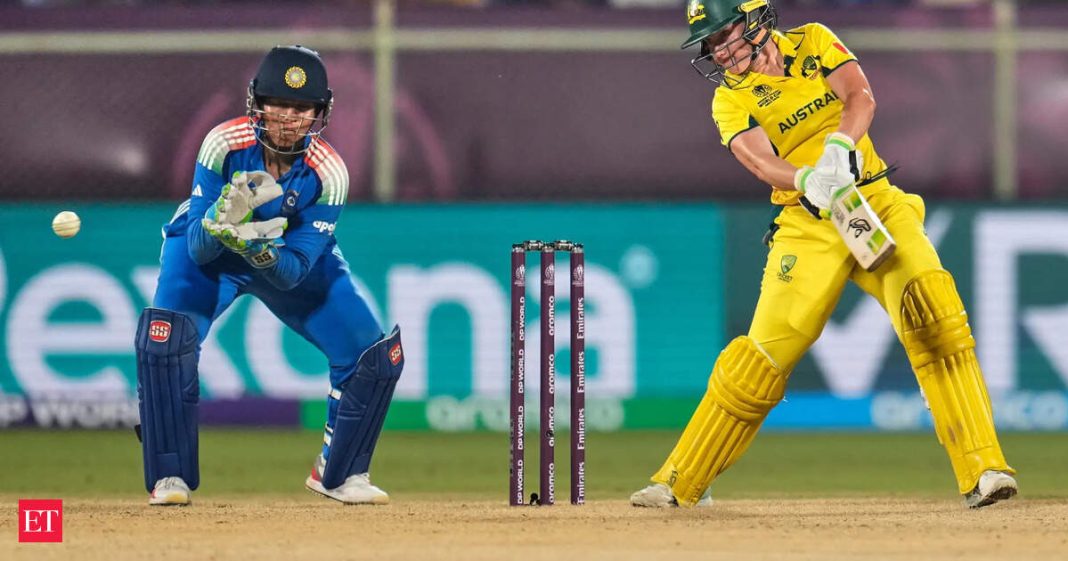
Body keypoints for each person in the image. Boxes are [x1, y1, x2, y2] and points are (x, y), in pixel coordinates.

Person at [630, 0, 1016, 509]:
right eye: (711, 45)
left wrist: (837, 149)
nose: (720, 52)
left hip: (873, 199)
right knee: (759, 361)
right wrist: (808, 178)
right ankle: (678, 482)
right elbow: (761, 162)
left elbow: (860, 97)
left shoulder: (813, 40)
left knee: (933, 314)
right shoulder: (729, 100)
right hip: (806, 222)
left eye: (725, 35)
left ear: (755, 20)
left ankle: (984, 470)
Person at [135, 45, 404, 506]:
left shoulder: (329, 172)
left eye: (302, 108)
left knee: (373, 356)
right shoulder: (224, 144)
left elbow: (293, 274)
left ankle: (339, 475)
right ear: (256, 104)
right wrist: (223, 223)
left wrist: (257, 249)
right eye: (278, 104)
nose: (288, 117)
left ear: (321, 112)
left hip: (281, 255)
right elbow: (198, 250)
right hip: (209, 252)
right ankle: (170, 477)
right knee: (165, 341)